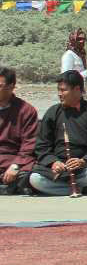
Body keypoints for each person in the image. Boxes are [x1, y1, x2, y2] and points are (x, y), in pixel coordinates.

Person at [30, 71, 87, 196]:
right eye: (58, 90)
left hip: (84, 166)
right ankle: (83, 189)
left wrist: (82, 161)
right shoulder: (53, 112)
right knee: (35, 179)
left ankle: (64, 188)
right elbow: (42, 146)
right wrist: (53, 162)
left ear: (77, 89)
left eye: (63, 90)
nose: (59, 94)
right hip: (59, 168)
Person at [0, 67, 38, 196]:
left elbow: (29, 143)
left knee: (32, 173)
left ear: (11, 86)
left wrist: (16, 165)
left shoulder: (26, 110)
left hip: (14, 159)